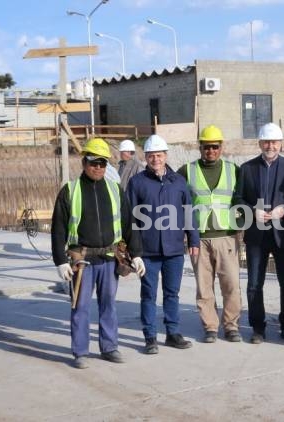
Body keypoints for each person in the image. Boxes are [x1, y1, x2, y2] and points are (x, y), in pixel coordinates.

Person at [51, 137, 145, 369]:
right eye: (94, 162)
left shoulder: (114, 190)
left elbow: (128, 224)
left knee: (108, 305)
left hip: (108, 258)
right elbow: (58, 228)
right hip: (81, 260)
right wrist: (60, 261)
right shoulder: (70, 191)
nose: (98, 167)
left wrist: (137, 254)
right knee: (80, 306)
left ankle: (109, 347)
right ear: (84, 162)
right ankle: (80, 351)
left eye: (102, 163)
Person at [127, 134, 200, 355]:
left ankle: (172, 333)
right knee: (148, 294)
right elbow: (129, 218)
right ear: (146, 158)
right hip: (147, 251)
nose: (155, 160)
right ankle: (150, 337)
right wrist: (133, 250)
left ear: (166, 155)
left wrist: (193, 239)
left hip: (174, 250)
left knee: (172, 293)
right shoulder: (137, 183)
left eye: (159, 155)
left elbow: (188, 212)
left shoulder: (178, 181)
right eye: (151, 156)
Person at [233, 122, 284, 344]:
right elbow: (237, 199)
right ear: (260, 143)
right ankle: (257, 328)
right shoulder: (247, 168)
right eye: (266, 142)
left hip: (283, 236)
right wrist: (251, 211)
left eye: (274, 142)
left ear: (281, 144)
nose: (270, 145)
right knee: (254, 283)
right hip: (257, 236)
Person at [178, 125, 243, 344]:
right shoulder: (187, 170)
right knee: (204, 286)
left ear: (221, 147)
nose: (211, 151)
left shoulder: (234, 170)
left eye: (215, 147)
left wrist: (242, 223)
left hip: (226, 236)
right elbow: (178, 200)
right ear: (200, 147)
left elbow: (241, 199)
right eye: (206, 147)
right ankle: (210, 327)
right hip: (200, 238)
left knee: (231, 284)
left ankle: (231, 326)